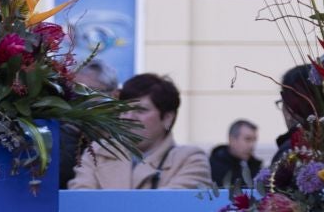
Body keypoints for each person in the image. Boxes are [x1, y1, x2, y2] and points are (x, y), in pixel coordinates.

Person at [68, 72, 212, 190]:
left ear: (168, 118)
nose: (129, 117)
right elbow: (81, 207)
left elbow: (171, 210)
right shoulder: (97, 152)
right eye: (124, 109)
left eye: (141, 110)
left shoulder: (190, 160)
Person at [57, 61, 118, 189]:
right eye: (73, 93)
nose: (78, 100)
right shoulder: (61, 136)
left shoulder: (127, 137)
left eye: (86, 92)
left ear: (113, 95)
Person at [210, 118, 261, 190]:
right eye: (247, 139)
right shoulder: (213, 167)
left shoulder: (255, 167)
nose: (252, 145)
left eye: (254, 140)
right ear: (232, 139)